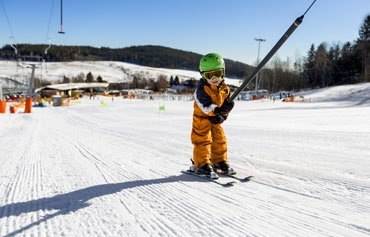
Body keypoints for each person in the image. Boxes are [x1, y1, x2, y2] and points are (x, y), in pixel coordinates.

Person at [191, 53, 235, 178]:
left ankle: (219, 161)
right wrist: (217, 111)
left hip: (215, 119)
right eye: (209, 75)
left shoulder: (225, 88)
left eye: (218, 73)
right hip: (202, 119)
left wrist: (225, 112)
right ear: (203, 75)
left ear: (223, 72)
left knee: (219, 139)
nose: (215, 78)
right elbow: (205, 106)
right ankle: (202, 163)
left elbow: (225, 105)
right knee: (202, 140)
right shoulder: (201, 89)